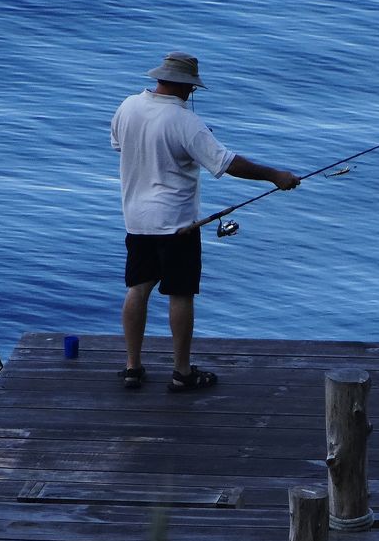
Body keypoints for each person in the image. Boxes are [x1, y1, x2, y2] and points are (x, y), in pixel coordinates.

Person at [111, 52, 301, 392]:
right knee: (180, 294)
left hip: (136, 220)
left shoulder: (127, 107)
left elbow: (120, 146)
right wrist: (275, 175)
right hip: (177, 224)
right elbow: (226, 163)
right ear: (186, 85)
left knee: (138, 289)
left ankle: (132, 367)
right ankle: (182, 372)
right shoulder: (185, 122)